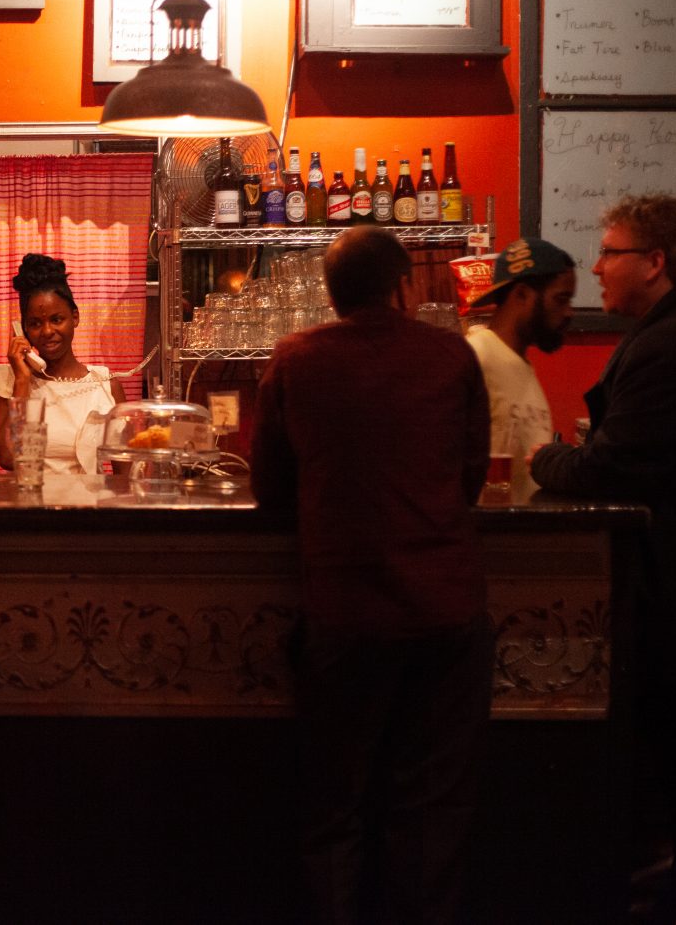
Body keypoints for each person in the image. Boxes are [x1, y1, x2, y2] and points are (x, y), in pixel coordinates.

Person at [251, 226, 492, 925]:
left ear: (330, 294)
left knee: (334, 808)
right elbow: (471, 479)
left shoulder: (296, 358)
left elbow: (270, 490)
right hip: (445, 612)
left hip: (346, 615)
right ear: (404, 286)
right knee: (428, 813)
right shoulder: (451, 355)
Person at [531, 193, 676, 922]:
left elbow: (611, 469)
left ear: (654, 262)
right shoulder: (657, 336)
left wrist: (545, 458)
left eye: (609, 252)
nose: (595, 267)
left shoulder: (663, 344)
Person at [0, 253, 125, 474]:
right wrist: (22, 381)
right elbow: (7, 457)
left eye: (56, 319)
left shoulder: (105, 384)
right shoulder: (8, 381)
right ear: (23, 329)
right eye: (35, 323)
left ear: (75, 317)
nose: (47, 331)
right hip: (30, 504)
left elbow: (125, 472)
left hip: (88, 505)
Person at [464, 236, 577, 496]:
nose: (569, 312)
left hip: (520, 533)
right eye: (561, 299)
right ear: (522, 294)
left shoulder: (520, 365)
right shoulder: (477, 356)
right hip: (490, 534)